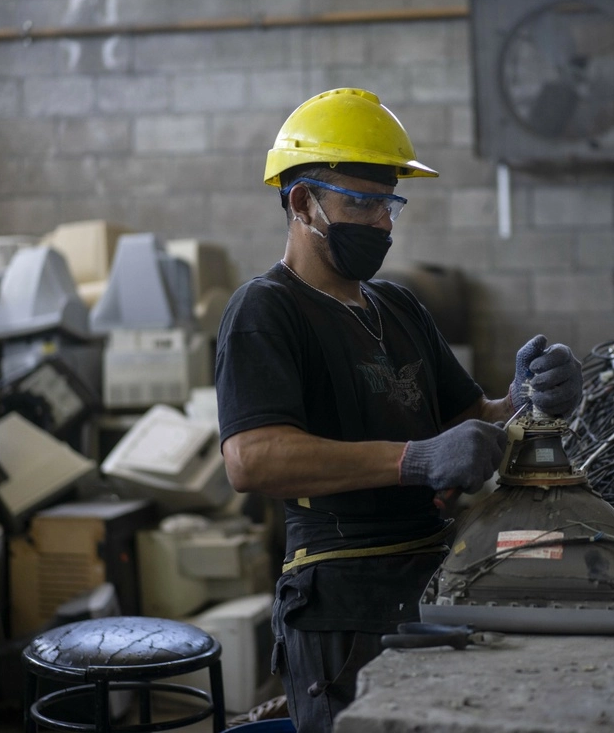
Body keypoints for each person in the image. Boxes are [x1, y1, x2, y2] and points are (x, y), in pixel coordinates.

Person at [215, 88, 583, 733]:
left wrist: (525, 401)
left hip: (438, 577)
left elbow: (472, 419)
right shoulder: (267, 310)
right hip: (342, 603)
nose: (383, 224)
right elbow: (253, 458)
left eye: (389, 204)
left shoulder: (399, 306)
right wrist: (414, 460)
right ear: (301, 203)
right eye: (361, 203)